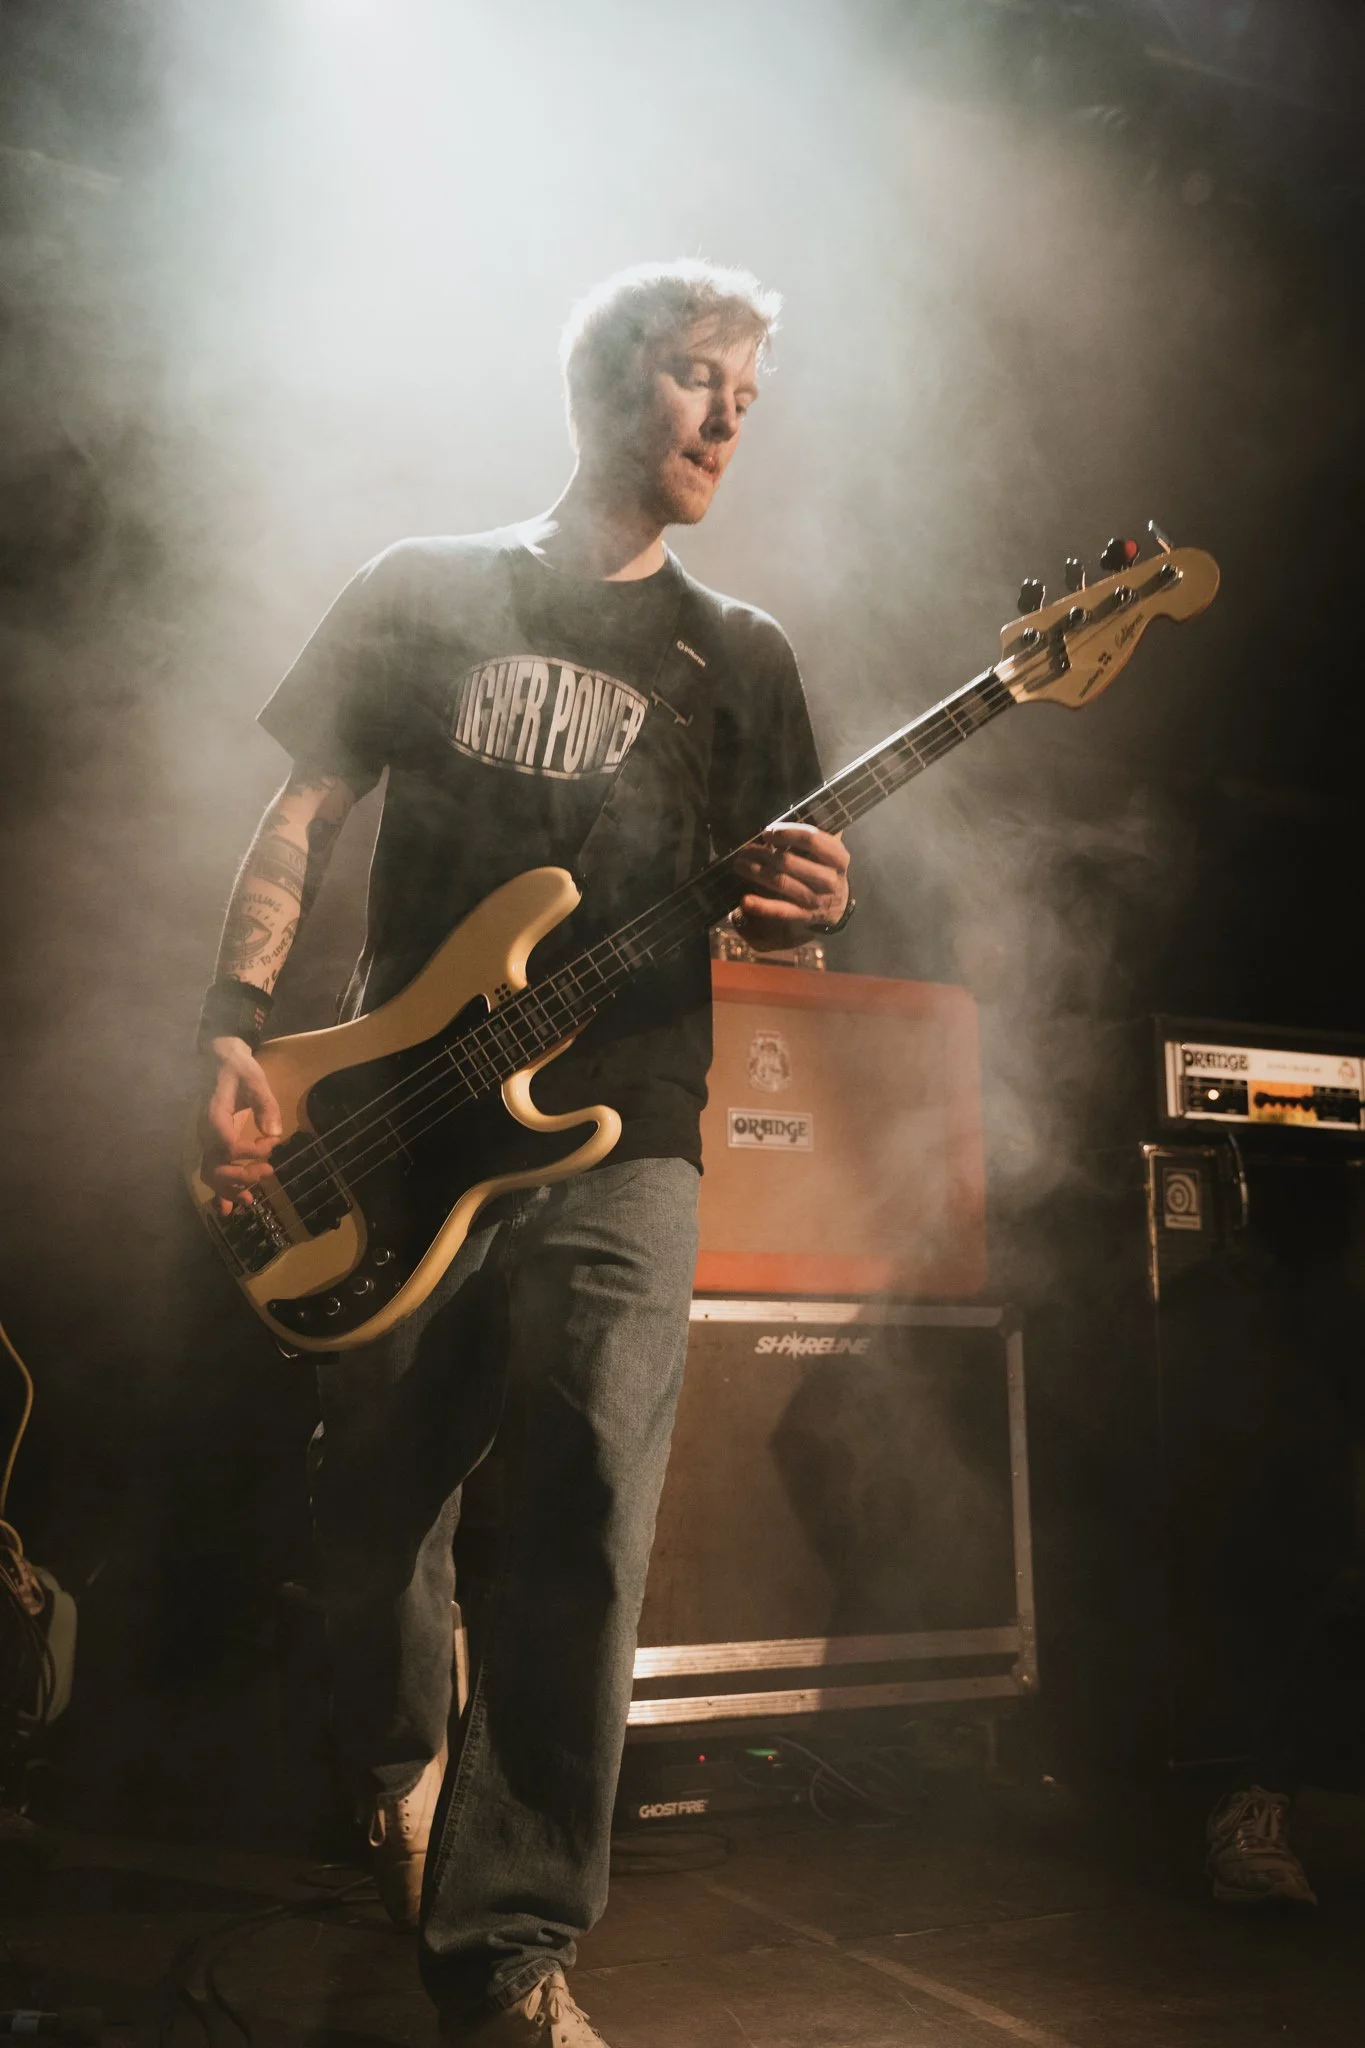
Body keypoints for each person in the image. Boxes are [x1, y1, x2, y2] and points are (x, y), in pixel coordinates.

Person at [196, 260, 851, 2045]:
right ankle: (398, 1772)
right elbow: (302, 807)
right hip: (396, 1119)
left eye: (748, 398)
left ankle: (508, 1950)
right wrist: (232, 1026)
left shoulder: (744, 655)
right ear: (606, 381)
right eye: (700, 378)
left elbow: (782, 933)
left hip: (627, 1126)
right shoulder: (423, 587)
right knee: (376, 1505)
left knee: (585, 1514)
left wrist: (810, 910)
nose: (727, 422)